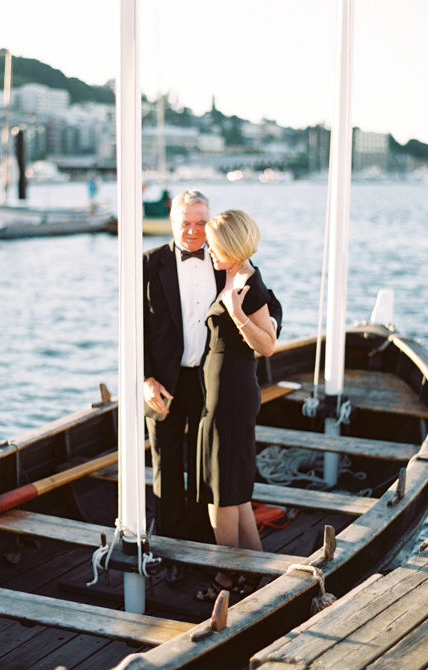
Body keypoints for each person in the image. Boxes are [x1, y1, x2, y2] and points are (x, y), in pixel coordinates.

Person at [143, 191, 281, 587]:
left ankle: (219, 558)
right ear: (171, 221)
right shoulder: (150, 263)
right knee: (170, 468)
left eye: (200, 222)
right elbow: (135, 328)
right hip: (166, 382)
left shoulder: (228, 259)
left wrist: (265, 329)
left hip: (217, 381)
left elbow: (269, 305)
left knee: (216, 478)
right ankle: (172, 552)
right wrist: (145, 379)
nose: (192, 231)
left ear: (211, 223)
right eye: (184, 222)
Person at [195, 210, 275, 602]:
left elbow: (269, 343)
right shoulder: (231, 274)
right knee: (235, 488)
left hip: (232, 394)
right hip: (220, 392)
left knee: (222, 492)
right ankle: (255, 567)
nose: (208, 250)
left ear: (229, 245)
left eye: (213, 244)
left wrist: (238, 315)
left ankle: (227, 576)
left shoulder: (247, 284)